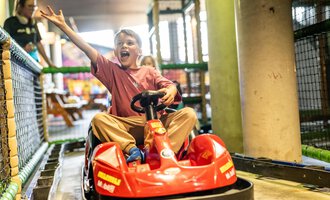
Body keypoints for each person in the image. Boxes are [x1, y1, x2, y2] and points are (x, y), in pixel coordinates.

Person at [41, 6, 197, 163]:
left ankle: (163, 151)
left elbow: (169, 85)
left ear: (140, 51)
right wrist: (63, 26)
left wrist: (170, 90)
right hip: (127, 126)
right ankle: (132, 150)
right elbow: (87, 50)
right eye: (120, 44)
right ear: (115, 52)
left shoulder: (149, 71)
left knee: (189, 114)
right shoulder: (112, 71)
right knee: (98, 120)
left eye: (130, 43)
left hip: (155, 123)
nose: (124, 46)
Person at [3, 0, 55, 67]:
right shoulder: (10, 22)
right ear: (21, 7)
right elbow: (4, 45)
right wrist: (23, 50)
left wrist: (50, 63)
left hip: (33, 63)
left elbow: (38, 43)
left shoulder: (33, 23)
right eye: (30, 6)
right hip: (17, 64)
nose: (33, 9)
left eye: (34, 6)